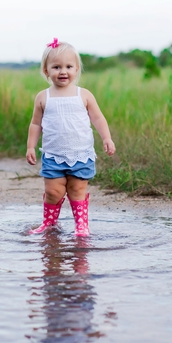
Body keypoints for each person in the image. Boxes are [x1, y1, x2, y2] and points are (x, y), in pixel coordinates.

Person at [26, 38, 116, 236]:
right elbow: (35, 124)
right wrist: (31, 147)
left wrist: (106, 138)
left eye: (68, 66)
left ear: (76, 70)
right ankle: (49, 224)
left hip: (81, 154)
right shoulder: (43, 97)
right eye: (56, 67)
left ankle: (82, 226)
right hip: (53, 155)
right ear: (46, 71)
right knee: (53, 192)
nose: (63, 71)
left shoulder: (83, 95)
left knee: (77, 190)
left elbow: (98, 118)